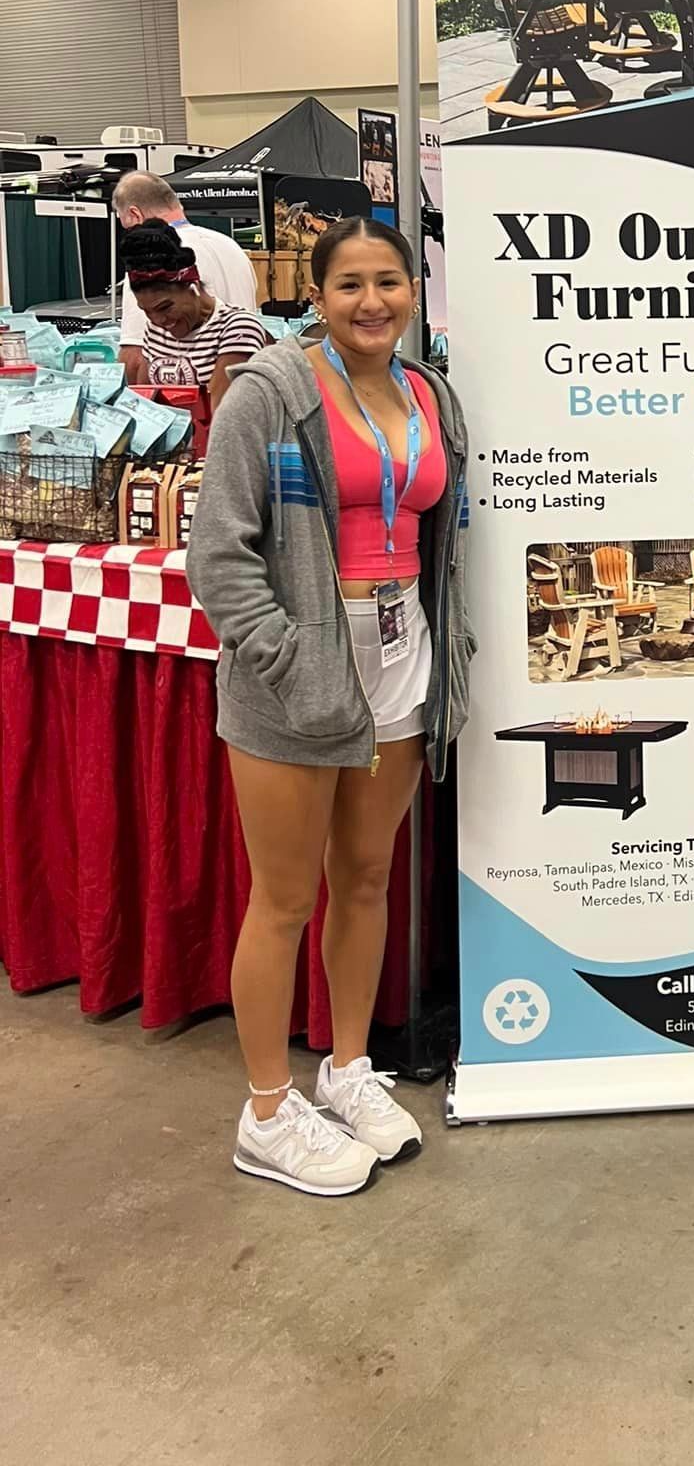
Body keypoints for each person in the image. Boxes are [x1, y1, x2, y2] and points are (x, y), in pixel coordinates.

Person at [187, 218, 473, 1197]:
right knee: (284, 898)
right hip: (297, 674)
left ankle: (347, 1067)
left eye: (388, 280)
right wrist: (285, 655)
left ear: (412, 289)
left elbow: (447, 531)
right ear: (316, 295)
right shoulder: (271, 391)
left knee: (364, 879)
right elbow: (217, 555)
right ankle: (266, 1111)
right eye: (348, 283)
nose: (370, 301)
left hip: (399, 664)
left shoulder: (430, 393)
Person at [113, 171, 258, 385]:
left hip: (195, 406)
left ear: (135, 215)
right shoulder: (231, 246)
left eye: (126, 227)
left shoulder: (151, 262)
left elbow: (135, 358)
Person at [119, 220, 269, 412]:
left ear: (193, 287)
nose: (158, 320)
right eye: (147, 311)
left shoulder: (238, 328)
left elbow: (220, 411)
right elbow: (145, 404)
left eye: (165, 307)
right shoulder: (155, 330)